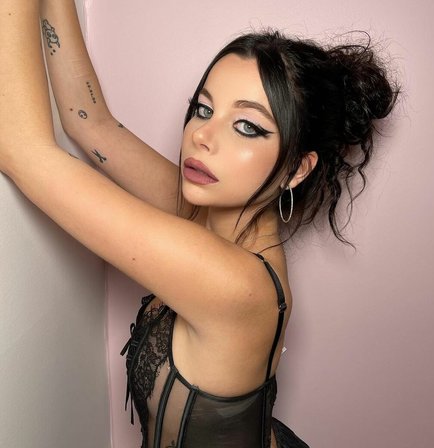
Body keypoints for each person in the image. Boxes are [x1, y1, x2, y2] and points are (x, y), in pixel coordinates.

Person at [0, 1, 398, 447]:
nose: (201, 136)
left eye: (246, 126)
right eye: (204, 109)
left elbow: (20, 149)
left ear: (296, 169)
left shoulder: (235, 283)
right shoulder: (204, 212)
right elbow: (89, 123)